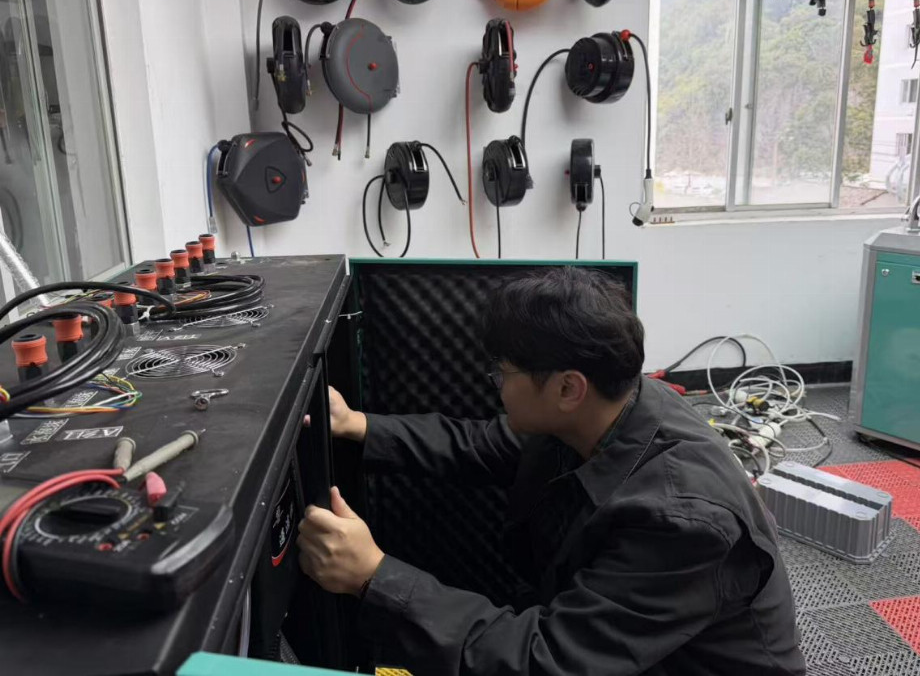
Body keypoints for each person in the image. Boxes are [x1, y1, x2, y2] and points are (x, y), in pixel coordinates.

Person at [296, 266, 805, 675]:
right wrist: (357, 424)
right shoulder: (613, 406)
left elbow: (547, 661)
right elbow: (481, 446)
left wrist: (374, 577)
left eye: (503, 372)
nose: (496, 385)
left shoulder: (682, 522)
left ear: (567, 388)